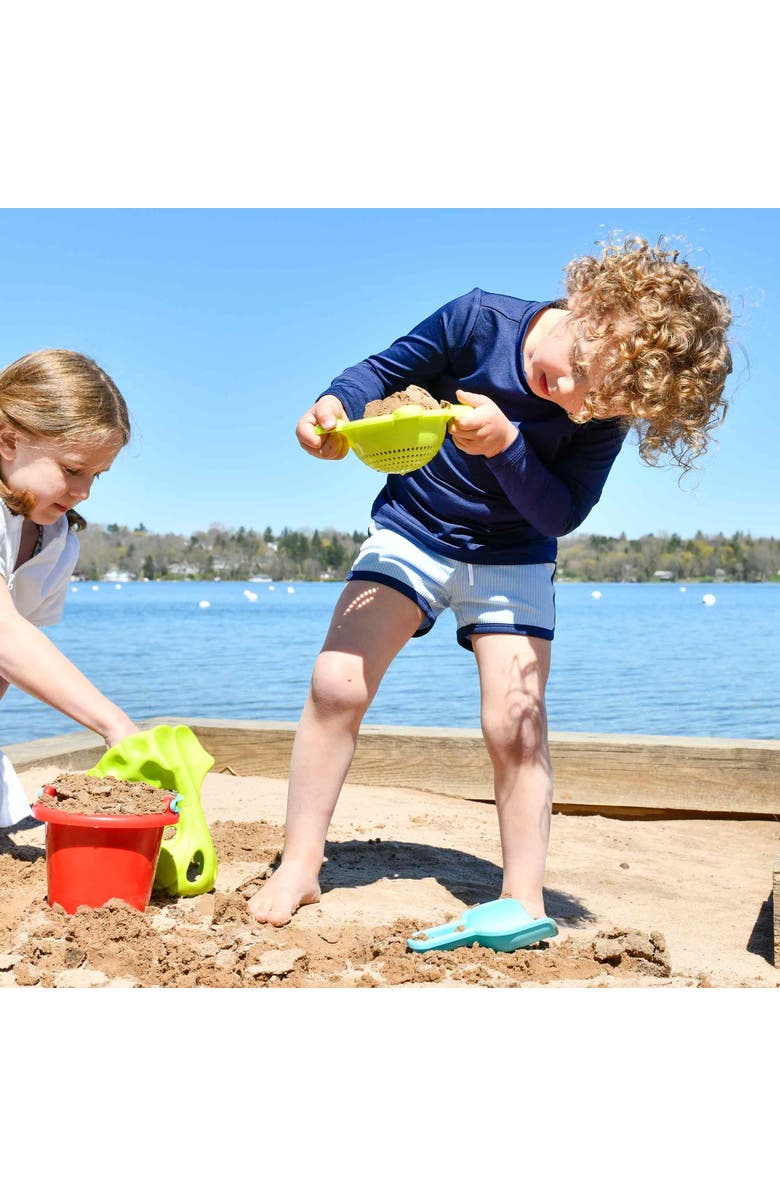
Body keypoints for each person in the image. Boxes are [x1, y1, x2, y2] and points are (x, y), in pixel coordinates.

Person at [248, 235, 733, 929]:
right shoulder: (478, 321)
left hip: (515, 555)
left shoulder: (597, 413)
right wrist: (332, 407)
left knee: (516, 725)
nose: (573, 399)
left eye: (596, 404)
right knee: (336, 684)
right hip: (413, 526)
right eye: (583, 372)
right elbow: (378, 373)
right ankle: (300, 865)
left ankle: (522, 898)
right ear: (595, 300)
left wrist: (509, 446)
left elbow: (559, 513)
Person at [0, 348, 140, 827]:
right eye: (72, 469)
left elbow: (9, 667)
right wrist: (114, 724)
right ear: (7, 440)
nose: (84, 492)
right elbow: (4, 636)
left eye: (96, 476)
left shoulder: (56, 542)